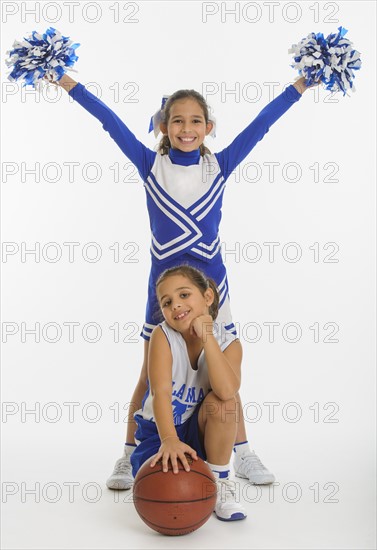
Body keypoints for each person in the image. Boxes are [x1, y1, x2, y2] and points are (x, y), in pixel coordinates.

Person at [56, 73, 310, 489]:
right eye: (177, 120)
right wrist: (68, 83)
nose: (186, 129)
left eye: (195, 121)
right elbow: (109, 121)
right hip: (165, 290)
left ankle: (241, 453)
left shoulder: (220, 165)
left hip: (212, 289)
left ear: (208, 128)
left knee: (222, 368)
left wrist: (299, 85)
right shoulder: (150, 164)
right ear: (163, 125)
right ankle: (126, 453)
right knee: (148, 373)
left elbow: (262, 124)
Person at [131, 264, 246, 521]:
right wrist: (169, 440)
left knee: (224, 403)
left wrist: (207, 336)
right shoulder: (163, 336)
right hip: (160, 431)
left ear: (207, 297)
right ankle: (178, 460)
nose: (176, 306)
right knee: (162, 493)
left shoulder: (230, 343)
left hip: (199, 432)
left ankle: (219, 482)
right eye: (167, 301)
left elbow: (227, 390)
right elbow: (160, 393)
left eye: (184, 295)